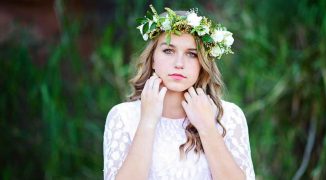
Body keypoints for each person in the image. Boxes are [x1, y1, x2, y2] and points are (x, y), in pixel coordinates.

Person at [103, 5, 255, 180]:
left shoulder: (229, 116)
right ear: (152, 59)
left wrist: (207, 127)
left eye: (191, 54)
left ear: (202, 63)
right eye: (168, 51)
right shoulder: (123, 116)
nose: (179, 63)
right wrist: (148, 120)